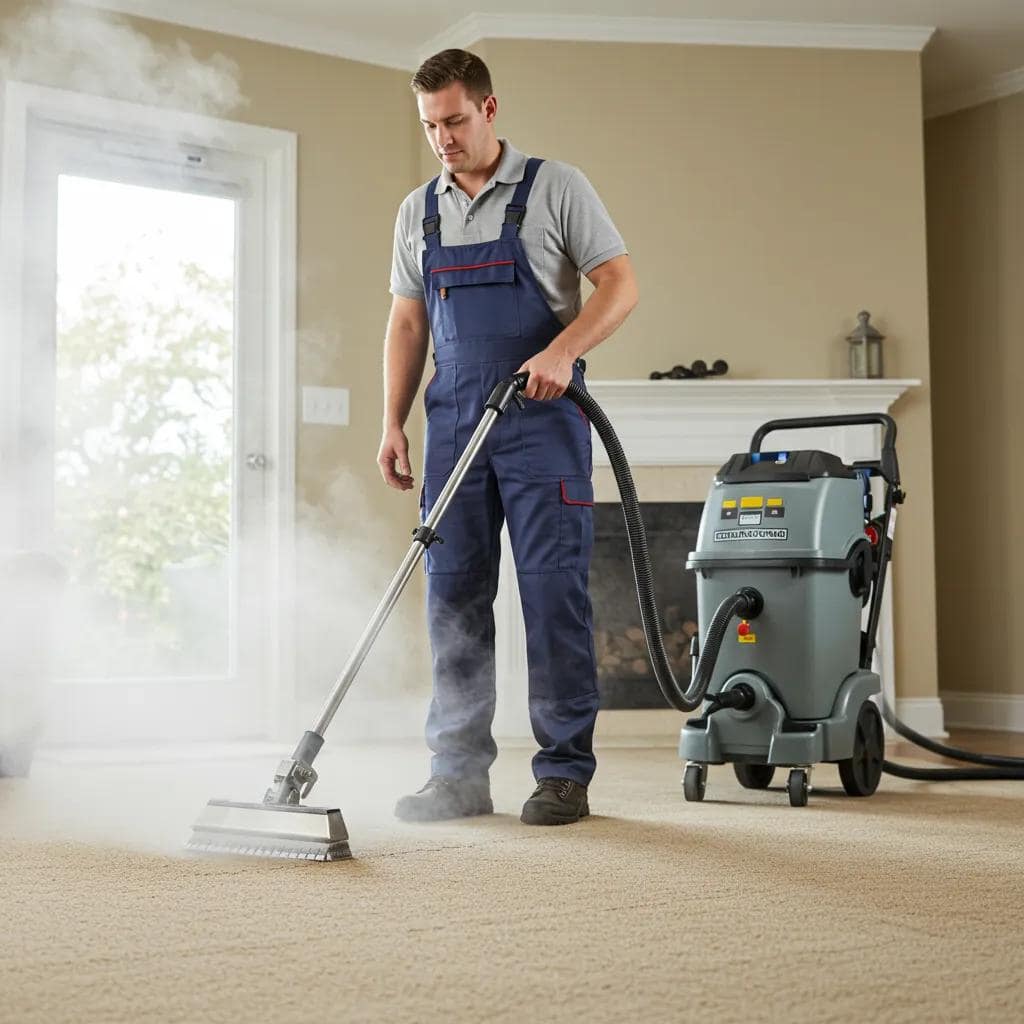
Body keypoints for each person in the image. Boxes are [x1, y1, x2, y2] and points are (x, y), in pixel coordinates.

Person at [379, 48, 638, 826]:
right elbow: (408, 320)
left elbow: (621, 283)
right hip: (455, 419)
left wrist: (563, 351)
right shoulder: (416, 210)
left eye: (455, 120)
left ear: (490, 109)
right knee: (453, 599)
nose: (443, 139)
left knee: (553, 594)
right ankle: (457, 774)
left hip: (542, 418)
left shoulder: (556, 187)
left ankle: (563, 771)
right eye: (430, 126)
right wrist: (391, 420)